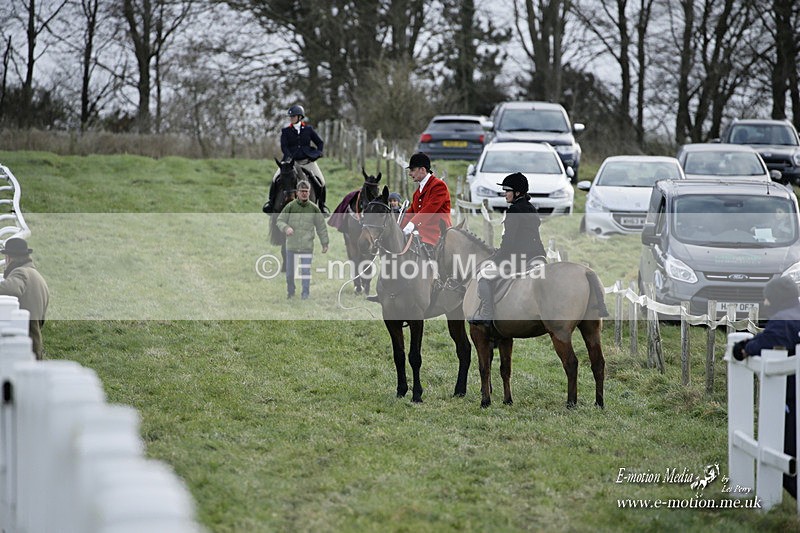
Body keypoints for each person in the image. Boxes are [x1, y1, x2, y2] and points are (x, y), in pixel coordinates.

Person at [732, 275, 798, 499]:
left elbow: (772, 338)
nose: (765, 304)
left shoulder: (784, 320)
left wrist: (744, 348)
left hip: (792, 399)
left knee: (786, 452)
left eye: (767, 299)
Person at [469, 172, 546, 326]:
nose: (505, 194)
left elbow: (509, 242)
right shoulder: (531, 208)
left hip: (519, 259)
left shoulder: (513, 211)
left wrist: (497, 257)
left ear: (517, 192)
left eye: (507, 190)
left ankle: (487, 314)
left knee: (483, 275)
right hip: (538, 256)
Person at [264, 105, 328, 214]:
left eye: (293, 116)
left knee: (321, 181)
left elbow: (320, 143)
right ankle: (270, 203)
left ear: (299, 117)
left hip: (307, 161)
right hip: (290, 163)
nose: (291, 118)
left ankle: (322, 207)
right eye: (290, 117)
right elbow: (284, 147)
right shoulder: (285, 131)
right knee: (275, 179)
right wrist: (289, 159)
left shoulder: (308, 129)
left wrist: (318, 153)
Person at [275, 180, 329, 299]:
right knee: (289, 274)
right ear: (297, 192)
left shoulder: (314, 209)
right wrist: (286, 227)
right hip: (291, 246)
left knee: (305, 272)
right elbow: (280, 220)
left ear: (309, 193)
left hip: (307, 246)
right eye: (302, 191)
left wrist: (325, 243)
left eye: (306, 191)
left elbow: (321, 227)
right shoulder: (290, 206)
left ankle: (305, 294)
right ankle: (291, 292)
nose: (304, 194)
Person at [0, 237, 49, 359]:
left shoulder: (21, 273)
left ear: (9, 258)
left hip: (23, 346)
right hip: (33, 342)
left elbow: (9, 288)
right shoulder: (36, 276)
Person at [400, 152, 451, 252]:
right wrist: (397, 224)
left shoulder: (439, 186)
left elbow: (429, 209)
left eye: (412, 170)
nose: (410, 174)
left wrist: (411, 225)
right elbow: (412, 213)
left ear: (422, 170)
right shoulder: (417, 193)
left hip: (438, 233)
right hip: (422, 232)